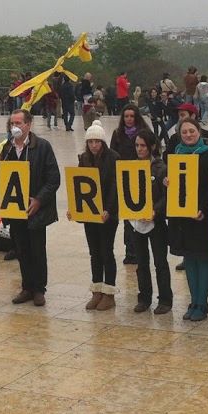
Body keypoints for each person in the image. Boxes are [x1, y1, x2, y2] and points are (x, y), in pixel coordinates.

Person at [0, 109, 61, 307]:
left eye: (18, 123)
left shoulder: (42, 147)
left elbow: (53, 179)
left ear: (28, 124)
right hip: (15, 210)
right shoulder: (7, 148)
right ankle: (27, 287)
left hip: (36, 210)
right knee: (21, 249)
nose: (15, 127)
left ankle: (39, 289)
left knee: (37, 250)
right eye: (12, 123)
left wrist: (39, 200)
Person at [166, 117, 208, 321]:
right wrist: (168, 181)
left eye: (192, 131)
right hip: (183, 216)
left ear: (199, 131)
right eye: (184, 132)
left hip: (202, 216)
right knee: (189, 258)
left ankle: (202, 303)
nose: (188, 135)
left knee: (203, 257)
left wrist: (202, 209)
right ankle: (193, 301)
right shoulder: (177, 154)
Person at [72, 121, 120, 311]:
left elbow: (115, 186)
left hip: (108, 214)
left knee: (106, 251)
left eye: (97, 142)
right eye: (90, 142)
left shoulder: (113, 157)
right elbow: (79, 183)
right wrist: (75, 207)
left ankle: (109, 292)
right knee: (94, 252)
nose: (94, 145)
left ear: (103, 142)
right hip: (90, 213)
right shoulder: (84, 158)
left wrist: (109, 209)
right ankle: (97, 290)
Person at [130, 128, 171, 314]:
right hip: (136, 222)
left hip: (156, 222)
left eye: (143, 146)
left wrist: (156, 210)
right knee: (141, 262)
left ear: (151, 147)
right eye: (137, 145)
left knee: (160, 262)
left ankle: (165, 299)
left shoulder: (161, 168)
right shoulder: (131, 167)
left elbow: (166, 196)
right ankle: (144, 297)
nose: (139, 149)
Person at [111, 104, 150, 265]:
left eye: (131, 116)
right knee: (128, 219)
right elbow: (112, 155)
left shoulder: (144, 133)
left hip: (141, 178)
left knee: (141, 217)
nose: (129, 119)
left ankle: (141, 250)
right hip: (124, 179)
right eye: (126, 116)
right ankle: (130, 251)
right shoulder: (117, 134)